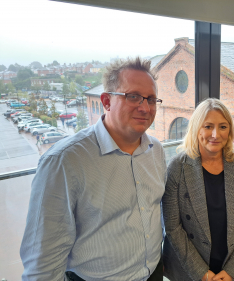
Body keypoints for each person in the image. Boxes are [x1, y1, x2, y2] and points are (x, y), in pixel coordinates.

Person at [20, 57, 167, 281]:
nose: (145, 107)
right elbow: (43, 263)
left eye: (151, 99)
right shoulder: (63, 161)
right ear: (106, 102)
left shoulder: (156, 150)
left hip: (154, 273)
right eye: (133, 96)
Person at [163, 98, 234, 281]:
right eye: (208, 126)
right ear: (196, 128)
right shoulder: (177, 167)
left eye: (223, 127)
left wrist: (232, 270)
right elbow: (173, 228)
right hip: (189, 269)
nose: (215, 134)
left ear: (230, 130)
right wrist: (202, 273)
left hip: (230, 265)